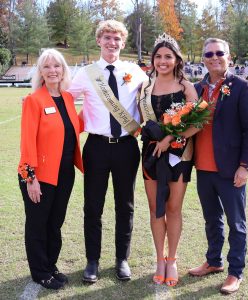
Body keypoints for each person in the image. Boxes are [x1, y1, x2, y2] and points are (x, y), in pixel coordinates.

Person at [68, 20, 148, 283]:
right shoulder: (86, 73)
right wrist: (35, 99)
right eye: (107, 38)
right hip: (97, 147)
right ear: (99, 41)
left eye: (117, 39)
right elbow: (64, 97)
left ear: (123, 43)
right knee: (93, 206)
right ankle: (92, 260)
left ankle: (121, 259)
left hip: (126, 147)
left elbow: (153, 95)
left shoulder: (134, 70)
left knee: (125, 205)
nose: (112, 43)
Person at [188, 38, 248, 294]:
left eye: (220, 53)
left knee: (236, 222)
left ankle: (235, 272)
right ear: (203, 58)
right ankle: (213, 261)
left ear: (229, 57)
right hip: (203, 168)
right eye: (209, 53)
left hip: (231, 169)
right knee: (211, 219)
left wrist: (245, 166)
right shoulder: (196, 88)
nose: (214, 57)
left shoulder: (241, 86)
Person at [18, 49, 84, 290]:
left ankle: (51, 265)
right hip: (39, 175)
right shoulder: (34, 100)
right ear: (41, 72)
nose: (53, 70)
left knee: (55, 223)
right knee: (38, 224)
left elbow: (73, 127)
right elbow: (27, 142)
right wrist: (30, 178)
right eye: (47, 67)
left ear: (64, 70)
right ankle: (40, 271)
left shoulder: (67, 98)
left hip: (65, 173)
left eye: (57, 66)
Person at [139, 33, 199, 287]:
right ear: (153, 60)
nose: (162, 61)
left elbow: (197, 122)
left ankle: (171, 259)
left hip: (179, 155)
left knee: (173, 208)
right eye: (158, 57)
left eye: (168, 57)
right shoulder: (145, 87)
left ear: (176, 60)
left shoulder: (186, 86)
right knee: (155, 209)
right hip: (152, 155)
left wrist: (170, 139)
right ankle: (159, 260)